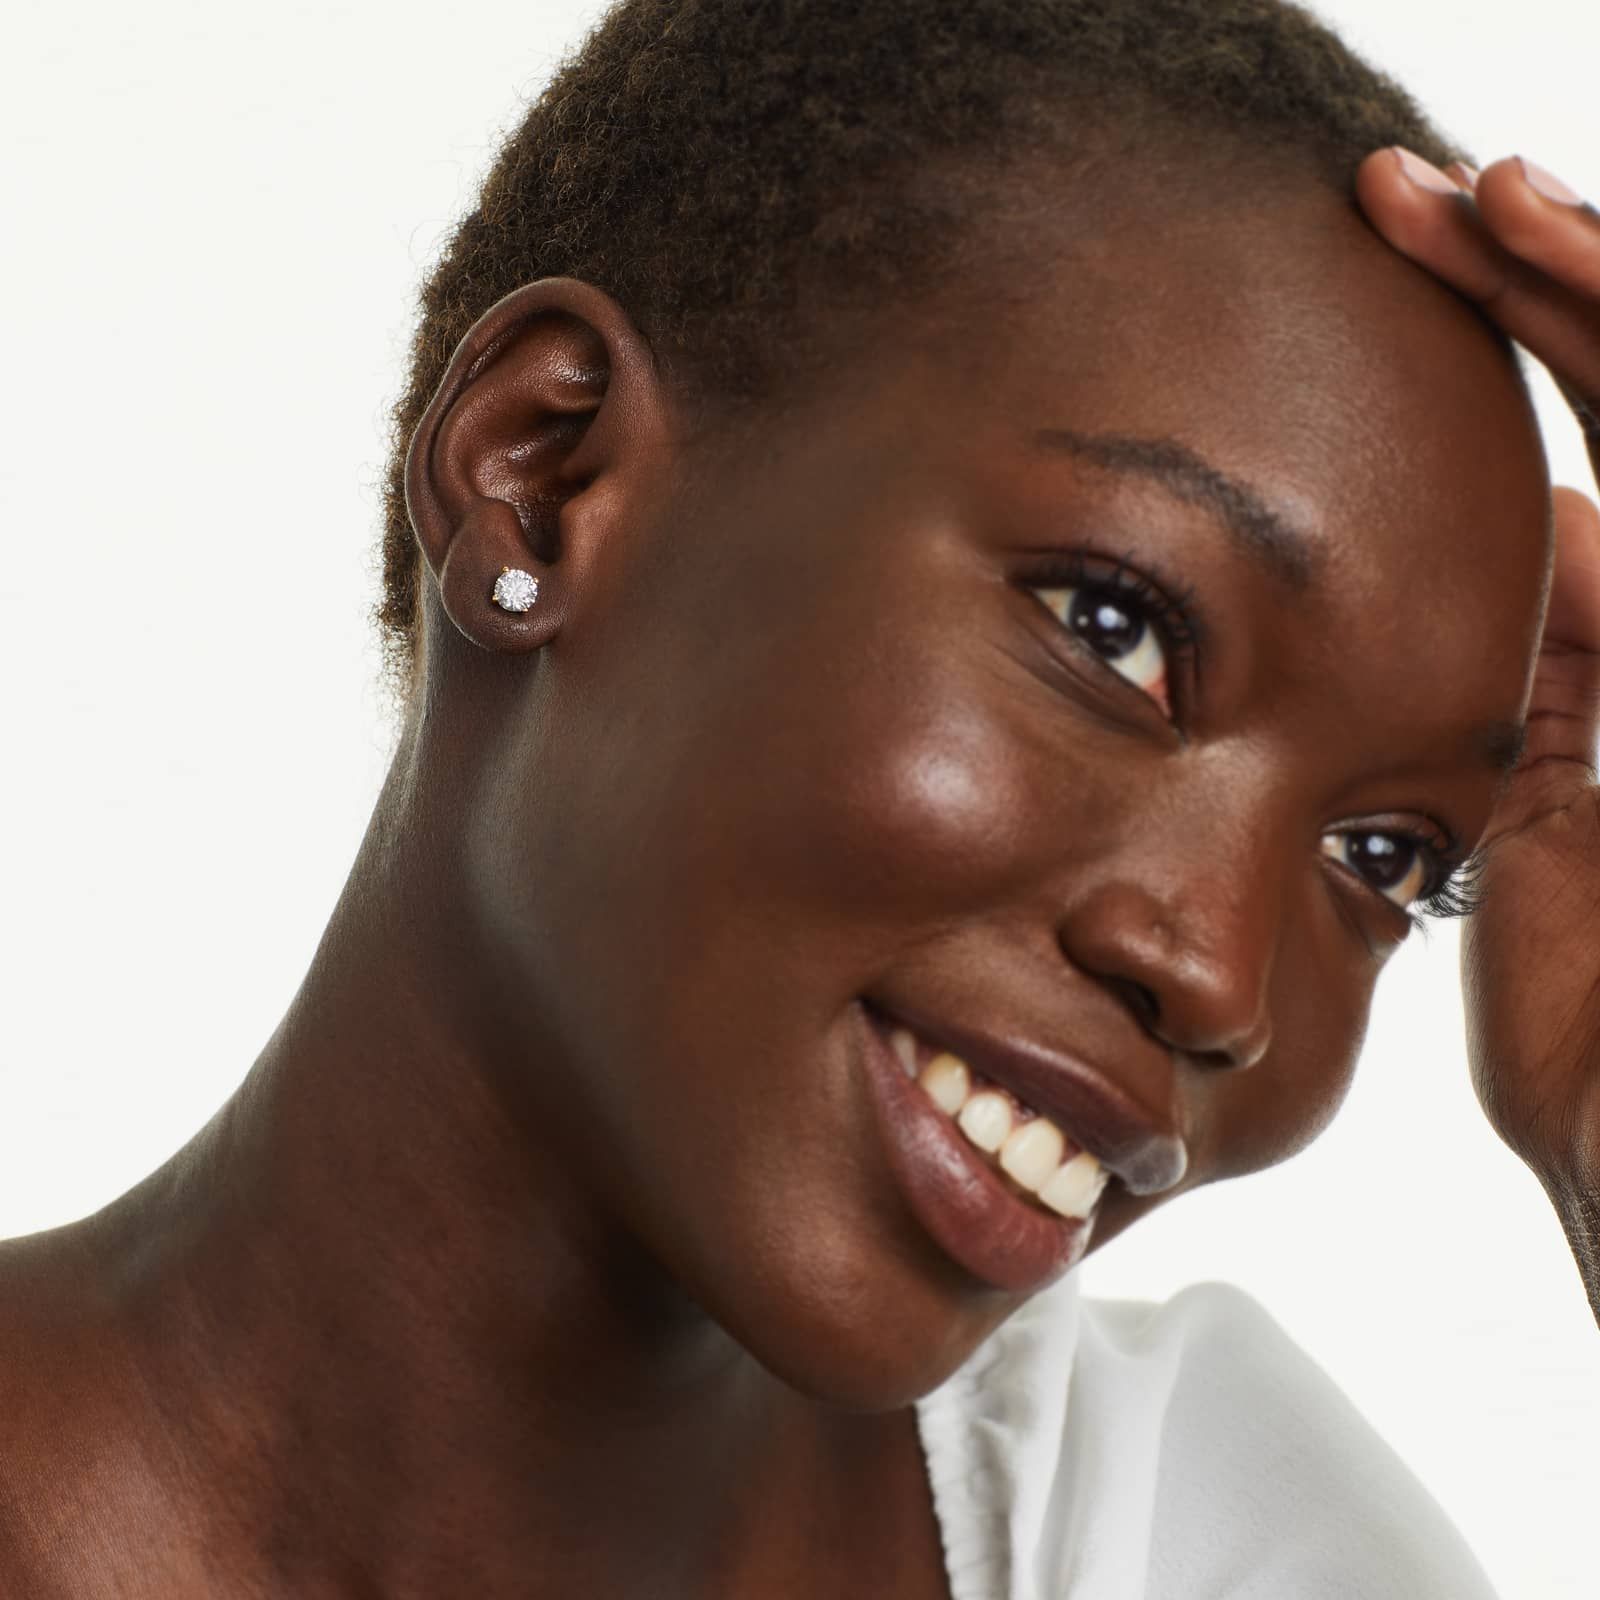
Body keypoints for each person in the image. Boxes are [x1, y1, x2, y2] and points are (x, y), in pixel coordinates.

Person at [2, 0, 1597, 1593]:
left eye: (1387, 857)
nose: (1221, 980)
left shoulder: (1190, 1530)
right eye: (1113, 628)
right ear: (545, 477)